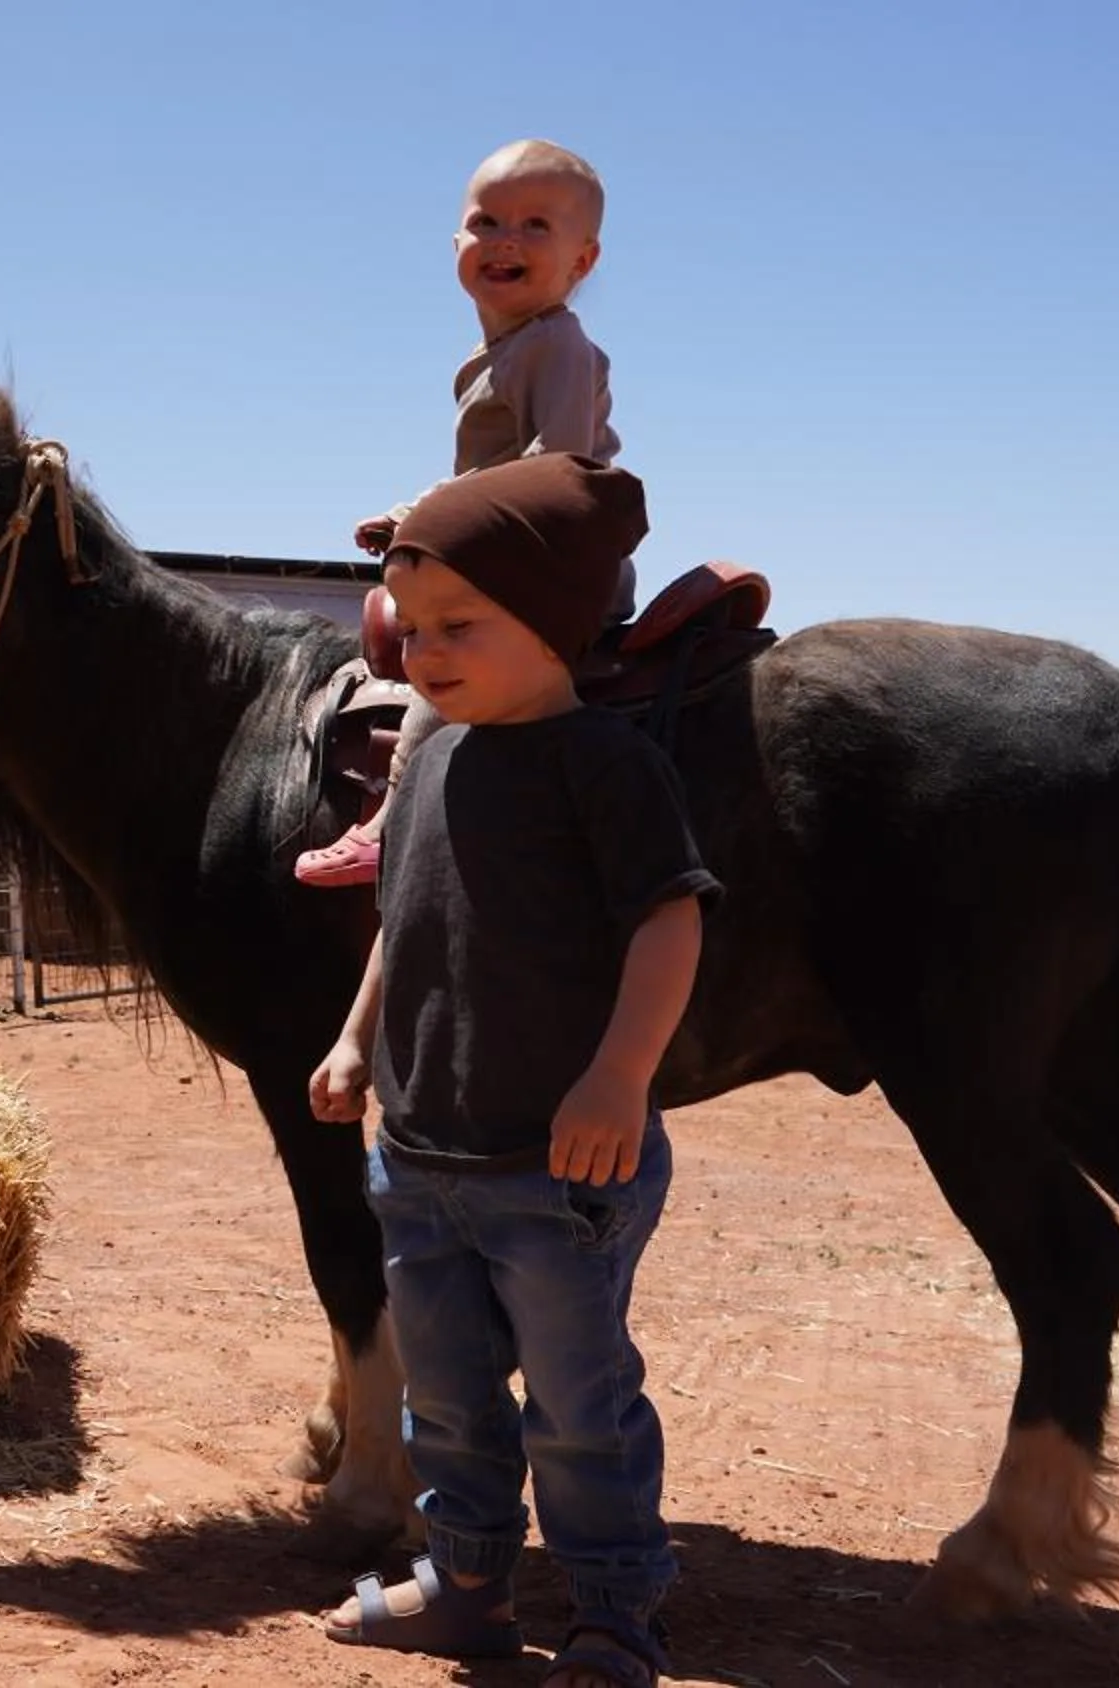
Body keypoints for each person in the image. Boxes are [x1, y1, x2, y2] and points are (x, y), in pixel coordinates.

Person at [307, 454, 718, 1688]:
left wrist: (619, 1076)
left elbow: (669, 920)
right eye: (410, 627)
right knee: (448, 1398)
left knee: (580, 1406)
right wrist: (352, 1035)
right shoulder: (428, 760)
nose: (420, 653)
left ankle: (611, 1607)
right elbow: (400, 915)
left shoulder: (605, 764)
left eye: (458, 626)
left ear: (549, 620)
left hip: (559, 1161)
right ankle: (470, 1579)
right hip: (423, 1153)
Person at [296, 138, 634, 889]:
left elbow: (555, 468)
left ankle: (390, 822)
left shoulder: (558, 347)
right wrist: (416, 513)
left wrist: (441, 517)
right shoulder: (505, 351)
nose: (506, 239)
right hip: (512, 554)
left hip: (554, 564)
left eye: (537, 225)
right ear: (456, 244)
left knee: (440, 663)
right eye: (488, 221)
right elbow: (488, 475)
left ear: (583, 262)